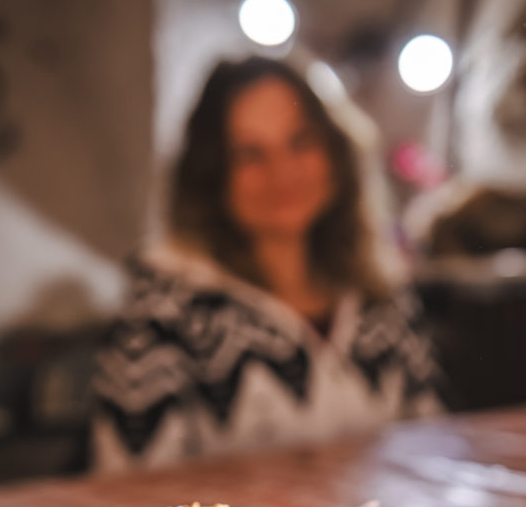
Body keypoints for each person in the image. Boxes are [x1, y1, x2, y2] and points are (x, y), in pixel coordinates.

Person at [92, 55, 441, 470]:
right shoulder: (166, 305)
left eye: (301, 142)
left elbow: (431, 442)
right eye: (249, 154)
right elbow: (128, 484)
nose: (282, 172)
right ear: (212, 174)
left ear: (335, 152)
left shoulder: (381, 295)